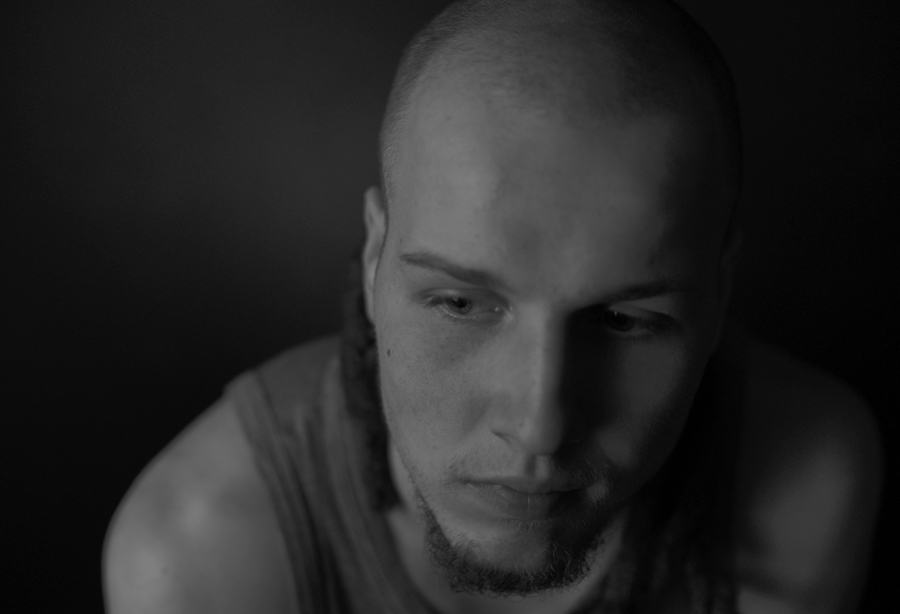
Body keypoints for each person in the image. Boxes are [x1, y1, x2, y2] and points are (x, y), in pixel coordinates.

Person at [102, 1, 883, 612]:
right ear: (374, 259)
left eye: (625, 321)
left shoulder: (804, 486)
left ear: (719, 294)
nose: (539, 424)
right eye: (458, 303)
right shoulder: (204, 555)